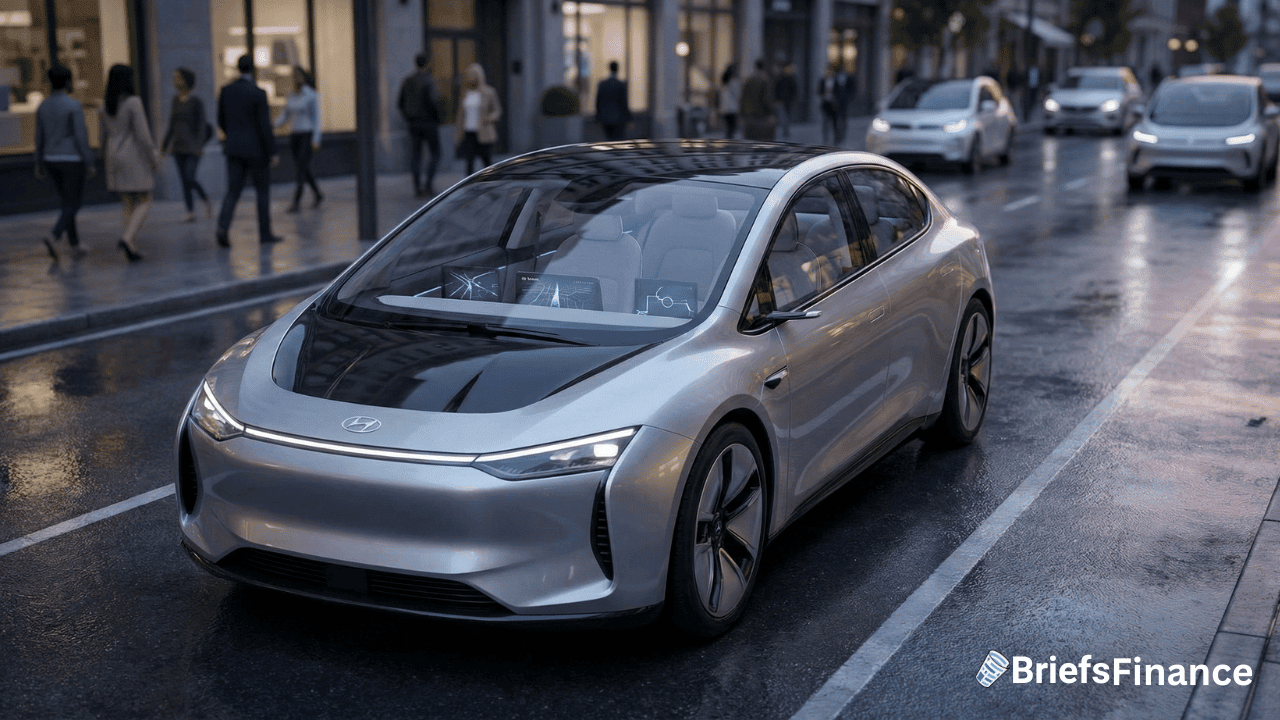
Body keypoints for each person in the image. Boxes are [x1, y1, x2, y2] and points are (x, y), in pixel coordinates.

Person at [216, 54, 281, 248]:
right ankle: (265, 233)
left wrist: (233, 137)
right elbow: (264, 126)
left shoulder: (226, 91)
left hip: (234, 148)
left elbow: (220, 119)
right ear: (253, 70)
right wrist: (273, 151)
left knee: (233, 191)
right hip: (256, 151)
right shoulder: (257, 93)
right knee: (262, 192)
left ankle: (222, 228)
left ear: (238, 68)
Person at [34, 64, 94, 261]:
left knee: (66, 202)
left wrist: (38, 162)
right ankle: (54, 235)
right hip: (71, 160)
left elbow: (39, 137)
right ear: (68, 81)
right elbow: (80, 136)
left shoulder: (43, 106)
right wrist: (89, 161)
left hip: (51, 159)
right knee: (73, 203)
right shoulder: (73, 105)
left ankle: (75, 244)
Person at [100, 63, 158, 262]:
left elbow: (102, 136)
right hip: (132, 154)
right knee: (145, 199)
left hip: (113, 153)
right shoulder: (133, 102)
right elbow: (143, 135)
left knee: (127, 202)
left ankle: (131, 246)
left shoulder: (104, 104)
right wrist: (153, 157)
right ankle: (126, 238)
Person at [161, 67, 212, 223]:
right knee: (184, 180)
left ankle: (205, 198)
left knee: (190, 177)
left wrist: (200, 146)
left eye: (178, 78)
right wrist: (164, 146)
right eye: (174, 78)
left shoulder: (196, 102)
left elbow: (202, 126)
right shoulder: (175, 100)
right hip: (178, 146)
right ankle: (190, 211)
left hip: (193, 147)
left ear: (186, 80)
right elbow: (171, 125)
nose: (175, 81)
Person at [275, 66, 322, 212]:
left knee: (301, 168)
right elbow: (284, 116)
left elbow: (316, 119)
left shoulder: (311, 95)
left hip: (307, 136)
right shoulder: (291, 96)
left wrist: (316, 139)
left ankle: (296, 201)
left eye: (298, 76)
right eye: (294, 76)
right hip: (294, 136)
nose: (296, 79)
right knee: (302, 168)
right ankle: (318, 194)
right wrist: (272, 124)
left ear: (304, 77)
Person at [398, 53, 442, 197]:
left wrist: (408, 117)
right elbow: (433, 102)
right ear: (427, 64)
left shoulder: (408, 81)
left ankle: (418, 188)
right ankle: (428, 185)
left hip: (414, 123)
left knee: (415, 156)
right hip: (428, 123)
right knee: (435, 153)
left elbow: (400, 103)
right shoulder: (428, 81)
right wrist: (437, 118)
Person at [454, 63, 501, 175]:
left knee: (487, 162)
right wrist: (457, 134)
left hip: (483, 131)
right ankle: (468, 188)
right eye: (469, 74)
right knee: (469, 162)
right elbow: (460, 115)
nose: (470, 77)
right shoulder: (465, 93)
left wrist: (489, 118)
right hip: (469, 133)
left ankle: (492, 184)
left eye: (473, 74)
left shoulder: (489, 92)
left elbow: (497, 111)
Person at [595, 60, 631, 141]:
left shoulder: (603, 84)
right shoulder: (620, 85)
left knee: (608, 140)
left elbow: (598, 101)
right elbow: (624, 103)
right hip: (618, 118)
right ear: (617, 69)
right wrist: (628, 117)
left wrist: (598, 116)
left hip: (605, 118)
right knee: (618, 141)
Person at [740, 59, 776, 141]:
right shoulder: (765, 80)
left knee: (751, 142)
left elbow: (743, 98)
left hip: (750, 115)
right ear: (764, 67)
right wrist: (771, 112)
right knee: (764, 142)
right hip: (762, 115)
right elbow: (766, 98)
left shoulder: (749, 80)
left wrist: (742, 113)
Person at [818, 64, 844, 145]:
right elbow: (819, 91)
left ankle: (836, 138)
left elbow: (839, 92)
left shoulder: (836, 81)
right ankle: (825, 138)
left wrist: (837, 100)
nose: (828, 72)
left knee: (835, 123)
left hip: (834, 105)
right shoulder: (822, 80)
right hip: (826, 103)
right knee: (825, 122)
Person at [773, 63, 798, 140]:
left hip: (789, 101)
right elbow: (776, 89)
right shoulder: (780, 78)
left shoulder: (792, 79)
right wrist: (777, 99)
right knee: (782, 116)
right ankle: (784, 130)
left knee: (787, 115)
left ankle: (785, 130)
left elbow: (794, 90)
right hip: (781, 100)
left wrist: (793, 99)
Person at [718, 64, 741, 139]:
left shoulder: (723, 83)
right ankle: (730, 144)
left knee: (727, 129)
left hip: (724, 109)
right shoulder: (734, 82)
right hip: (733, 109)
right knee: (732, 129)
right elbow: (738, 95)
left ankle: (727, 142)